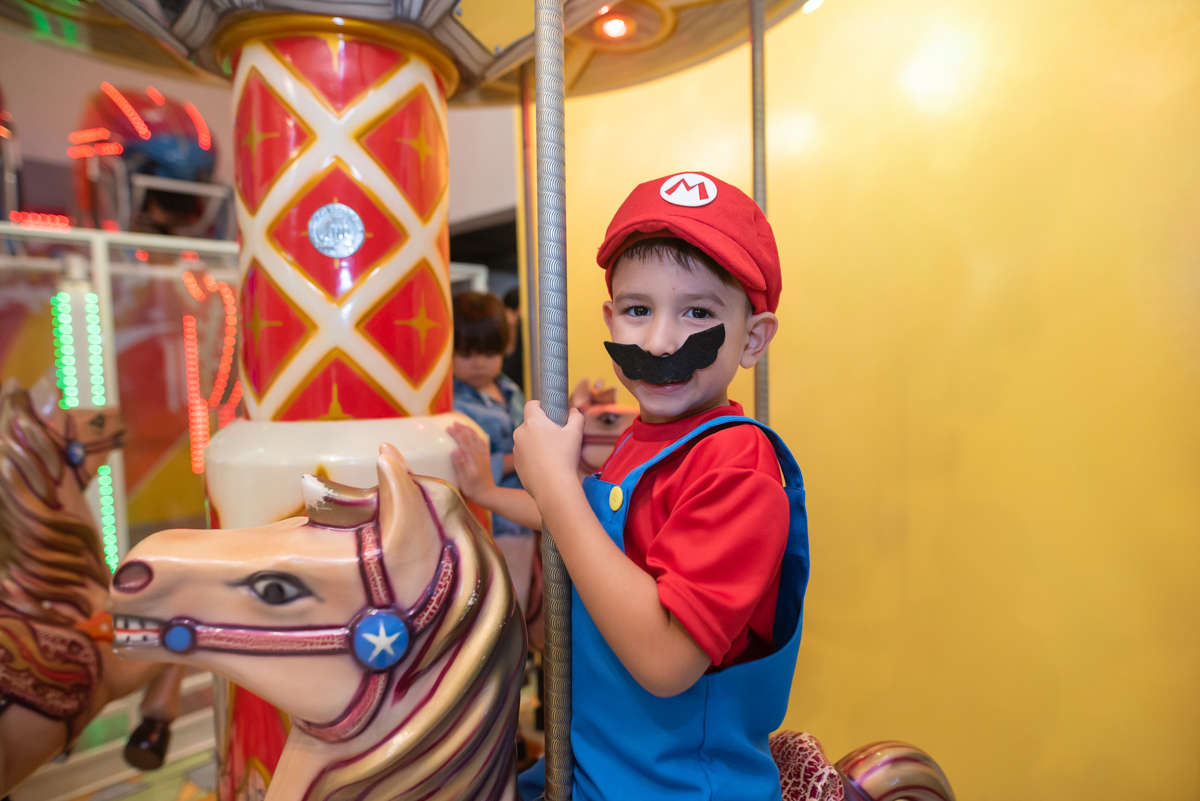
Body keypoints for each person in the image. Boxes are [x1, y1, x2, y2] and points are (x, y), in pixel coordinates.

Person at [513, 172, 810, 801]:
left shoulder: (736, 462)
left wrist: (558, 490)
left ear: (753, 338)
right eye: (637, 310)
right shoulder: (636, 444)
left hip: (671, 787)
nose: (659, 341)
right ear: (610, 319)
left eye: (698, 312)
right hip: (592, 766)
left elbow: (666, 660)